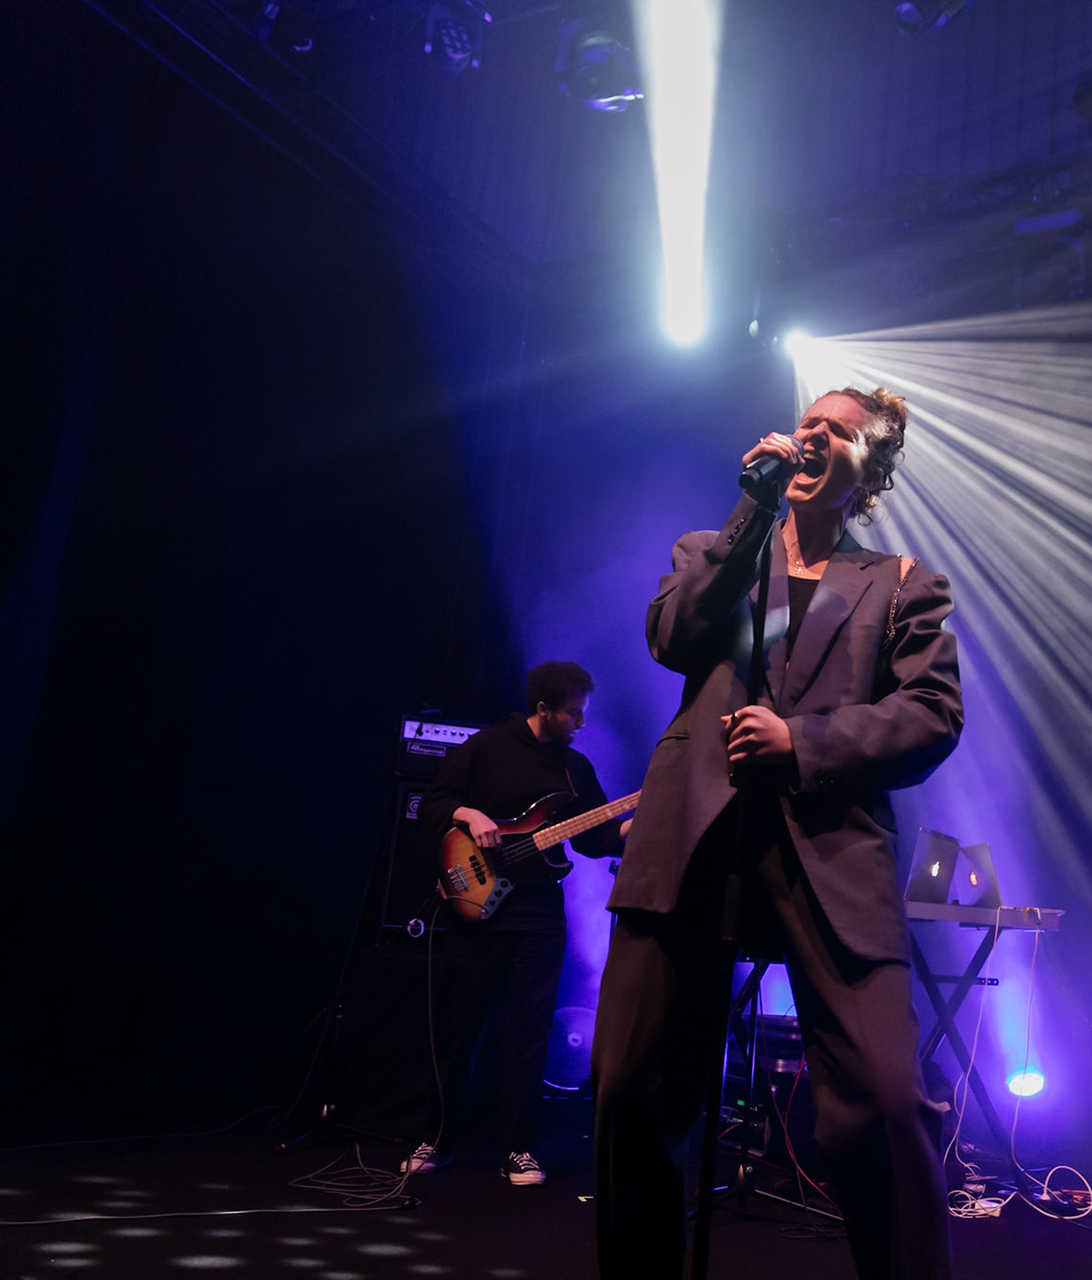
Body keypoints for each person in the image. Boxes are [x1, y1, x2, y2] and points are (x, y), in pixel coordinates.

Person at [590, 386, 964, 1280]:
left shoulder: (902, 581)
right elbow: (675, 637)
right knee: (630, 1092)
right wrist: (750, 509)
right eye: (808, 423)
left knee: (882, 1102)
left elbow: (933, 713)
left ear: (868, 469)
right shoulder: (714, 547)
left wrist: (808, 742)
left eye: (838, 430)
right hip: (693, 840)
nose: (813, 435)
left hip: (829, 852)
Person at [402, 660, 627, 1187]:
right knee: (458, 1028)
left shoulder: (574, 769)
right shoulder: (486, 748)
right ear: (544, 709)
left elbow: (594, 840)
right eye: (574, 713)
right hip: (475, 909)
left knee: (528, 1031)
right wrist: (469, 814)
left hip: (538, 914)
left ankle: (518, 1149)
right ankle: (434, 1137)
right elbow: (432, 803)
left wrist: (628, 830)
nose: (581, 723)